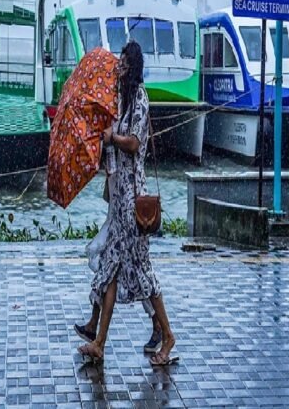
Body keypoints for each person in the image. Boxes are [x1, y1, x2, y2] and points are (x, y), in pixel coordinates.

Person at [76, 41, 177, 367]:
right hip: (119, 201)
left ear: (131, 67)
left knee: (144, 275)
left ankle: (168, 334)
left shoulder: (140, 100)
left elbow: (133, 143)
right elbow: (116, 147)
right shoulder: (120, 101)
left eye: (122, 63)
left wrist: (112, 139)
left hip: (133, 202)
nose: (117, 67)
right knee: (110, 270)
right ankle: (100, 343)